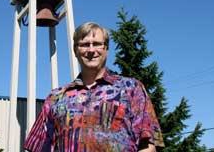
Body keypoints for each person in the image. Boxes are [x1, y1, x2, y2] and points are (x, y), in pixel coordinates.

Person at [24, 22, 164, 152]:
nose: (91, 50)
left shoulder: (131, 89)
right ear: (75, 50)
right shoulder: (55, 98)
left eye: (96, 44)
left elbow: (148, 147)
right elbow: (38, 147)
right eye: (84, 45)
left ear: (106, 49)